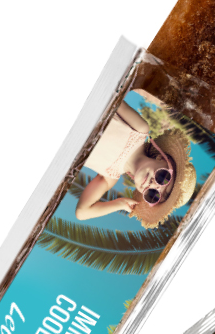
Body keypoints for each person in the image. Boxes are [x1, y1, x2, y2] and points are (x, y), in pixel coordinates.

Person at [74, 89, 196, 229]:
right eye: (163, 178)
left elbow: (82, 212)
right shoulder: (139, 129)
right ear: (162, 158)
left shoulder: (109, 177)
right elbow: (109, 95)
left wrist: (118, 204)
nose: (153, 185)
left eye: (153, 195)